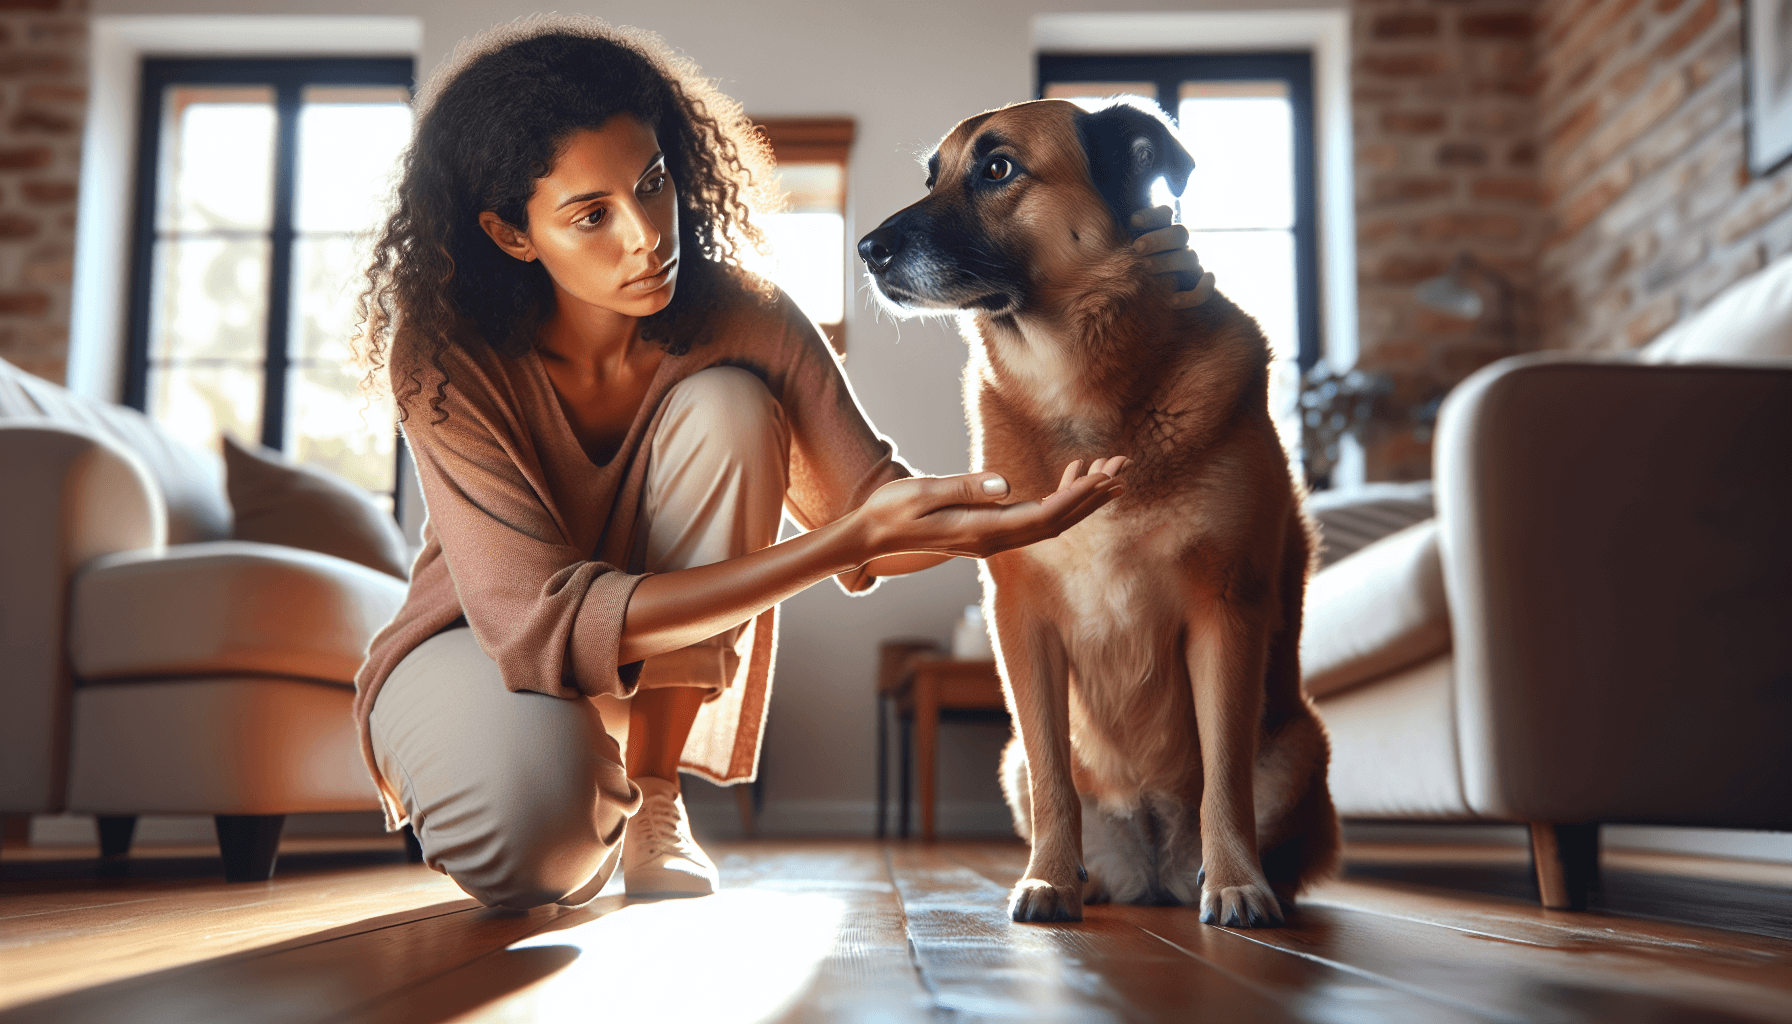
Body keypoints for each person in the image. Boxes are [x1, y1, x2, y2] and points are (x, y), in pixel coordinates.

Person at [353, 15, 1210, 909]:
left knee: (727, 402)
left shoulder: (744, 315)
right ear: (512, 234)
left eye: (652, 184)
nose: (648, 235)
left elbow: (876, 513)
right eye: (592, 215)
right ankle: (521, 778)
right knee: (534, 856)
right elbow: (537, 625)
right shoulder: (445, 348)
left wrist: (1029, 495)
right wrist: (835, 547)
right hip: (485, 644)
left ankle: (648, 794)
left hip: (635, 673)